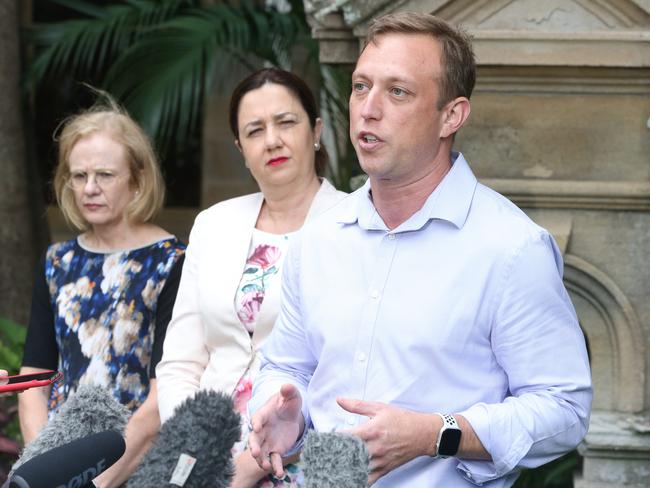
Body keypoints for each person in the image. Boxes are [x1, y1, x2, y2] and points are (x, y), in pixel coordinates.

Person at [247, 12, 592, 487]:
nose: (368, 109)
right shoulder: (319, 238)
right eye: (361, 86)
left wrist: (436, 434)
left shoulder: (512, 248)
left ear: (452, 115)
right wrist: (287, 411)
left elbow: (565, 411)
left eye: (398, 92)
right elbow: (287, 367)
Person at [156, 68, 347, 486]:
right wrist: (195, 448)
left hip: (299, 455)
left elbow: (352, 373)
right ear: (241, 147)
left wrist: (250, 463)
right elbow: (180, 363)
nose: (272, 140)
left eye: (286, 122)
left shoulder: (355, 227)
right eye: (255, 130)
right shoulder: (213, 224)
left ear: (315, 131)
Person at [18, 99, 185, 488]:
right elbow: (34, 380)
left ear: (138, 180)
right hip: (59, 460)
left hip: (140, 464)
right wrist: (45, 470)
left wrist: (97, 482)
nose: (89, 188)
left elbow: (166, 393)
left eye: (105, 175)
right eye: (79, 176)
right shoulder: (57, 261)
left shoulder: (172, 262)